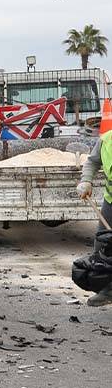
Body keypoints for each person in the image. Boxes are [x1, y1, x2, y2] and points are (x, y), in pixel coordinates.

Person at [76, 129, 112, 306]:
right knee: (103, 246)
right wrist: (86, 180)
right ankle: (107, 290)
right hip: (111, 202)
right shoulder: (106, 140)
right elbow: (92, 162)